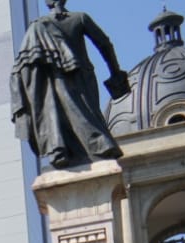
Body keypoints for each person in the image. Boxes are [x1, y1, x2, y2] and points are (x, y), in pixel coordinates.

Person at [11, 0, 128, 169]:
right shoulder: (79, 18)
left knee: (69, 116)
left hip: (61, 81)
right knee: (87, 115)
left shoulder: (38, 26)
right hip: (81, 76)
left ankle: (65, 150)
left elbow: (22, 67)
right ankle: (100, 147)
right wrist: (115, 72)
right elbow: (104, 44)